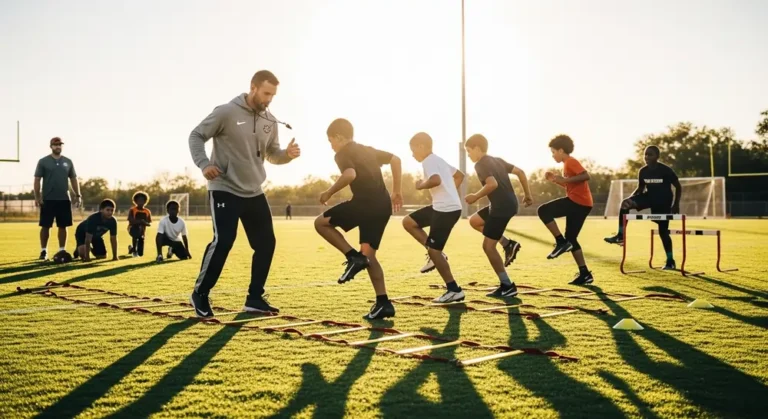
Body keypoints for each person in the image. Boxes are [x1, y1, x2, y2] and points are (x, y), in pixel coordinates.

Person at [187, 70, 301, 318]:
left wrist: (287, 155)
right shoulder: (227, 112)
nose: (269, 99)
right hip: (225, 188)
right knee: (224, 240)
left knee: (266, 243)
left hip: (254, 191)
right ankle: (200, 293)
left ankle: (254, 298)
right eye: (266, 93)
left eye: (273, 95)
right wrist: (204, 164)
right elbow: (196, 135)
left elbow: (272, 154)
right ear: (253, 87)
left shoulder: (270, 120)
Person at [314, 118, 403, 320]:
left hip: (365, 203)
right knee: (369, 256)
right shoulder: (367, 150)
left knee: (320, 223)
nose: (331, 146)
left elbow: (350, 174)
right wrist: (396, 191)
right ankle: (383, 303)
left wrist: (329, 192)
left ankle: (353, 257)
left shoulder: (342, 153)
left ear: (338, 137)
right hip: (383, 205)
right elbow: (395, 159)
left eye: (331, 141)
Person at [464, 134, 533, 298]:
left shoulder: (480, 164)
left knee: (488, 247)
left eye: (469, 151)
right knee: (475, 221)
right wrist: (527, 195)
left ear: (477, 149)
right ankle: (507, 244)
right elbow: (521, 172)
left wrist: (475, 196)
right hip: (508, 203)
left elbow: (492, 184)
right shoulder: (497, 160)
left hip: (501, 207)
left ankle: (507, 285)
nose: (468, 155)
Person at [402, 132, 466, 303]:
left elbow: (436, 180)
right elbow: (459, 175)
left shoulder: (429, 160)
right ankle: (434, 254)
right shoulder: (438, 160)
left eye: (413, 149)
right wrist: (451, 192)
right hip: (444, 206)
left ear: (422, 146)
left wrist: (421, 185)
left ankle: (454, 290)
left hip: (445, 210)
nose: (412, 154)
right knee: (408, 222)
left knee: (435, 251)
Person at [604, 145, 682, 270]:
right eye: (645, 154)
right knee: (625, 204)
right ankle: (620, 235)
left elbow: (678, 186)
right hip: (649, 197)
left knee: (663, 232)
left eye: (650, 154)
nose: (646, 157)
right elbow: (640, 188)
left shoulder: (665, 170)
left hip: (663, 201)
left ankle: (670, 261)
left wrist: (676, 204)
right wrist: (631, 199)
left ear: (657, 156)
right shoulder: (643, 171)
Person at [537, 134, 594, 285]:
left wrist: (565, 179)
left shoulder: (570, 162)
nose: (553, 155)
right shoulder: (566, 165)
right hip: (583, 204)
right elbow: (571, 184)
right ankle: (585, 274)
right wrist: (556, 180)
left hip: (577, 202)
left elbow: (585, 176)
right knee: (572, 239)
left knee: (543, 211)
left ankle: (560, 242)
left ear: (561, 150)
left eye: (553, 152)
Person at [33, 137, 82, 260]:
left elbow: (74, 179)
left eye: (60, 144)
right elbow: (37, 179)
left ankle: (62, 250)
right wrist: (37, 197)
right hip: (48, 199)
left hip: (64, 199)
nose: (58, 147)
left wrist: (78, 195)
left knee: (63, 226)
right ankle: (43, 251)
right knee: (45, 226)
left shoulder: (68, 161)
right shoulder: (43, 161)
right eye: (55, 145)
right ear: (51, 146)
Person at [127, 191, 152, 257]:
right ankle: (134, 251)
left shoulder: (147, 211)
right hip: (132, 228)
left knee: (140, 253)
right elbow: (131, 220)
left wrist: (146, 223)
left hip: (142, 231)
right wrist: (140, 221)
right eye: (139, 200)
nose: (140, 202)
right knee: (135, 234)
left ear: (145, 201)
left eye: (142, 200)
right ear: (135, 201)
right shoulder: (132, 210)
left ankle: (131, 248)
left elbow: (149, 222)